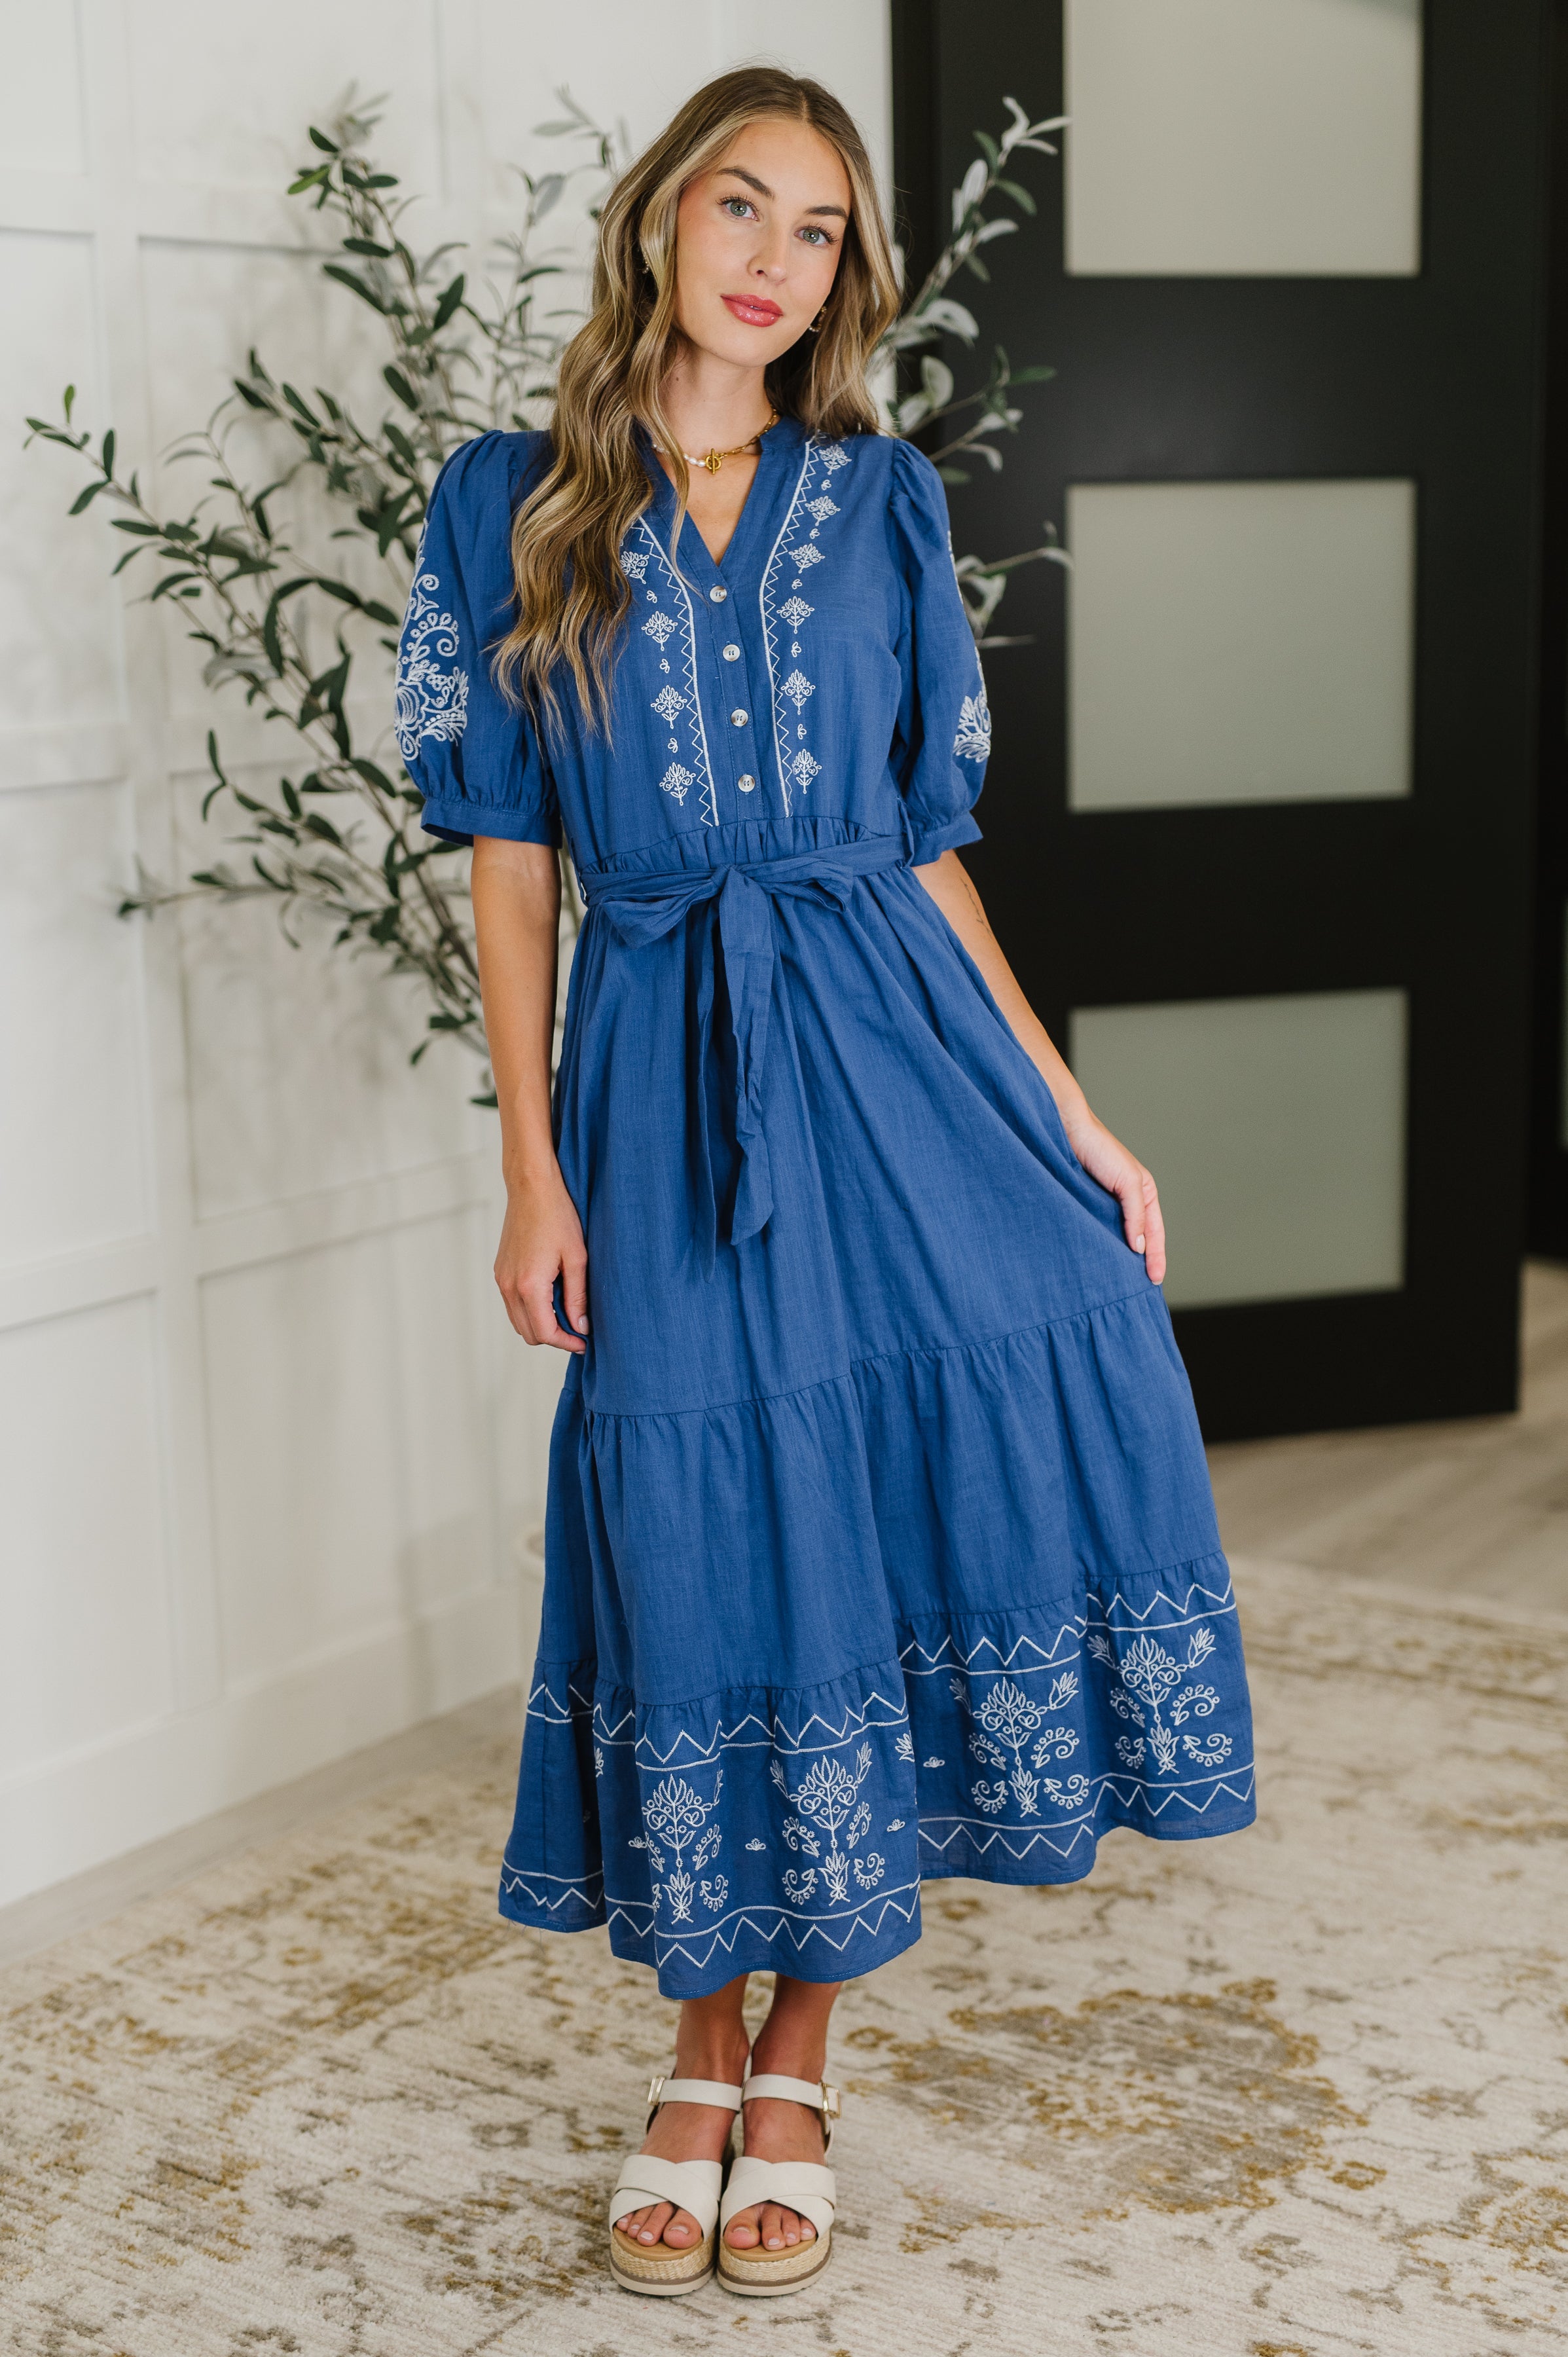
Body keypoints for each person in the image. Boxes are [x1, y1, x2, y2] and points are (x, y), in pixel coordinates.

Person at [396, 65, 1256, 2300]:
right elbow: (511, 878)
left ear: (844, 279)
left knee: (902, 1478)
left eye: (816, 232)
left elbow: (919, 844)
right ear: (662, 223)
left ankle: (799, 2055)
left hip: (893, 1037)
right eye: (737, 207)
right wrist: (531, 1173)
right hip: (659, 1062)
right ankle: (699, 2036)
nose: (772, 260)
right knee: (702, 1517)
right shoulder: (502, 498)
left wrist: (1061, 1103)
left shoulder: (874, 501)